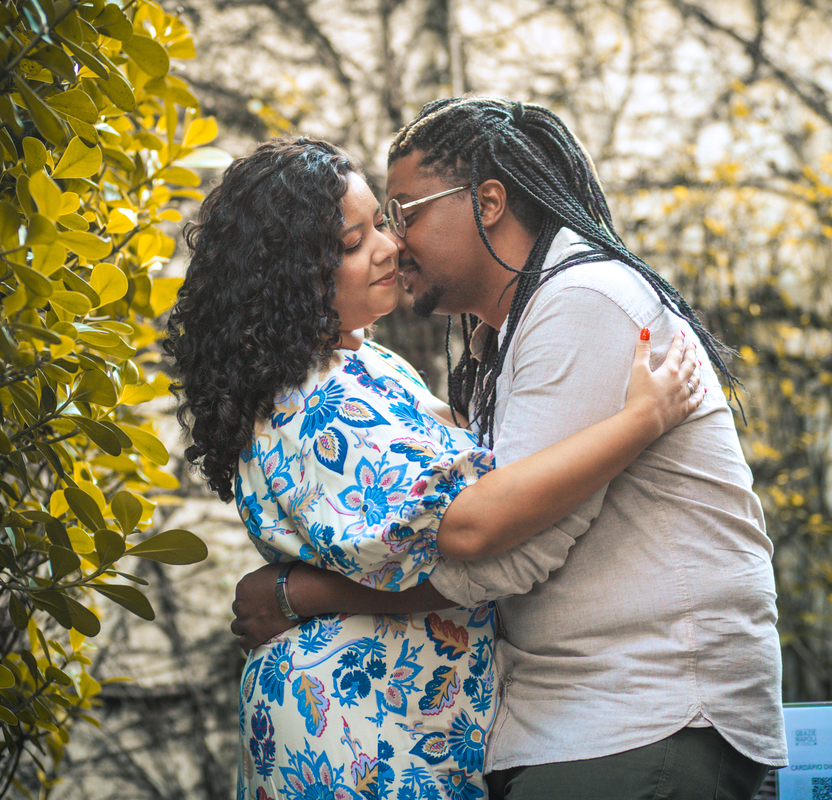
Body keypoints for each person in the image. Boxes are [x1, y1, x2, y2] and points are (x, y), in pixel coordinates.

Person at [231, 98, 788, 800]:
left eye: (403, 213)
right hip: (571, 724)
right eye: (373, 227)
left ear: (488, 201)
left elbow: (498, 544)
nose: (397, 243)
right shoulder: (503, 336)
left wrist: (302, 593)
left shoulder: (581, 300)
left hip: (641, 716)